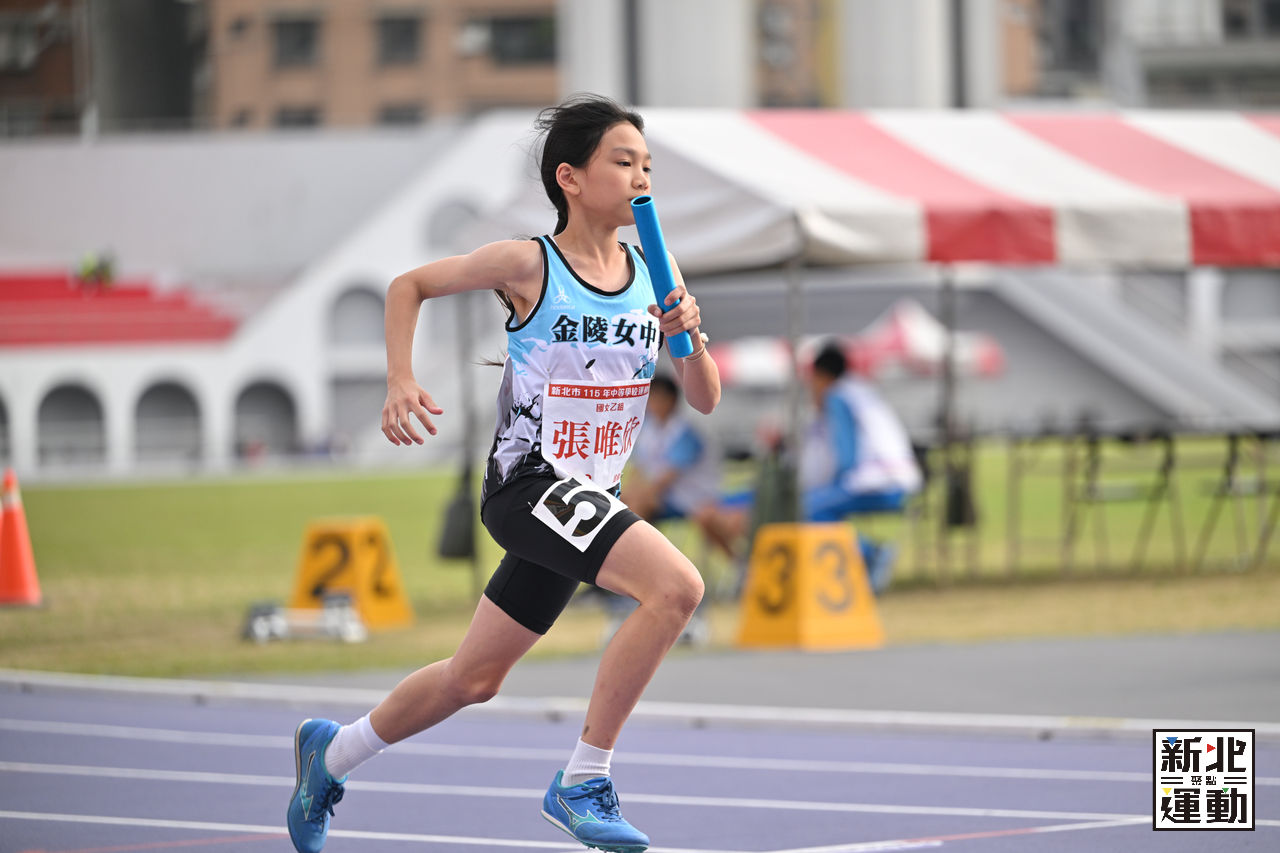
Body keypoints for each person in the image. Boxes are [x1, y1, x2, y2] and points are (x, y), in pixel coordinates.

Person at [286, 94, 720, 853]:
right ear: (570, 177)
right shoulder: (530, 263)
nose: (641, 178)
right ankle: (584, 779)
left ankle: (333, 753)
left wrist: (692, 337)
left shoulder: (658, 269)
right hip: (532, 485)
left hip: (591, 496)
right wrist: (399, 378)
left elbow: (706, 398)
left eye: (648, 165)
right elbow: (408, 286)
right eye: (623, 162)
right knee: (677, 587)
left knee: (473, 679)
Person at [800, 341, 921, 593]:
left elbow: (846, 458)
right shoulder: (862, 391)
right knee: (819, 506)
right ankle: (865, 558)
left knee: (806, 508)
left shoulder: (837, 397)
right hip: (901, 480)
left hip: (876, 482)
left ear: (822, 376)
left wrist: (829, 490)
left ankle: (870, 553)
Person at [624, 374, 746, 564]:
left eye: (657, 398)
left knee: (637, 506)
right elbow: (639, 468)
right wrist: (630, 493)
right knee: (622, 503)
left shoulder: (686, 432)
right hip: (666, 498)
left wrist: (641, 495)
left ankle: (636, 563)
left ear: (671, 400)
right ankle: (632, 561)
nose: (652, 404)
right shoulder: (649, 428)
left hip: (693, 498)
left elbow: (668, 477)